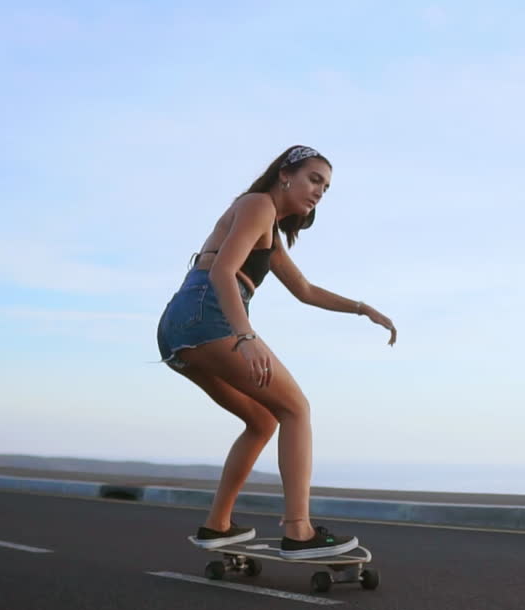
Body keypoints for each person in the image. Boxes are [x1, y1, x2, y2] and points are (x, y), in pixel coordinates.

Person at [156, 145, 396, 559]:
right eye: (314, 179)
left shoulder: (266, 227)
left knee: (263, 420)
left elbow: (305, 290)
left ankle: (217, 525)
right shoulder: (257, 205)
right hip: (209, 313)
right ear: (286, 174)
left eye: (326, 187)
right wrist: (245, 336)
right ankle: (298, 530)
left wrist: (363, 309)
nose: (320, 192)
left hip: (179, 324)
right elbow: (222, 271)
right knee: (296, 409)